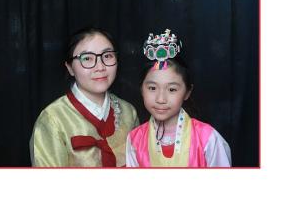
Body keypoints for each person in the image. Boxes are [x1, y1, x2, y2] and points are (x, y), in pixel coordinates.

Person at [30, 28, 139, 167]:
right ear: (70, 68)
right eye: (87, 58)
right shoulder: (52, 119)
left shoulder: (129, 112)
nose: (100, 67)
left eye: (107, 56)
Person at [126, 30, 232, 167]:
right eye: (152, 88)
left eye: (172, 89)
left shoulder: (208, 138)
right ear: (141, 89)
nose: (161, 99)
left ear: (187, 92)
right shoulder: (134, 140)